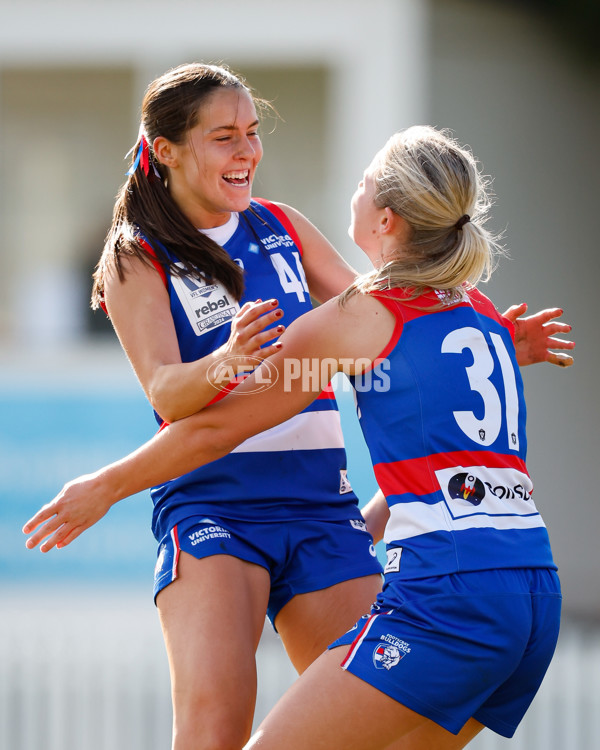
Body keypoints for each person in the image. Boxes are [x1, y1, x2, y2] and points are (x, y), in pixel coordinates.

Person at [23, 67, 571, 750]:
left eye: (252, 134)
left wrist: (464, 346)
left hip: (321, 505)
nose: (247, 151)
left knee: (369, 734)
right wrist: (223, 364)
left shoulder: (281, 226)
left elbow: (382, 320)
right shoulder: (138, 254)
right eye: (225, 137)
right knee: (214, 728)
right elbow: (172, 395)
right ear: (164, 149)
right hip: (217, 506)